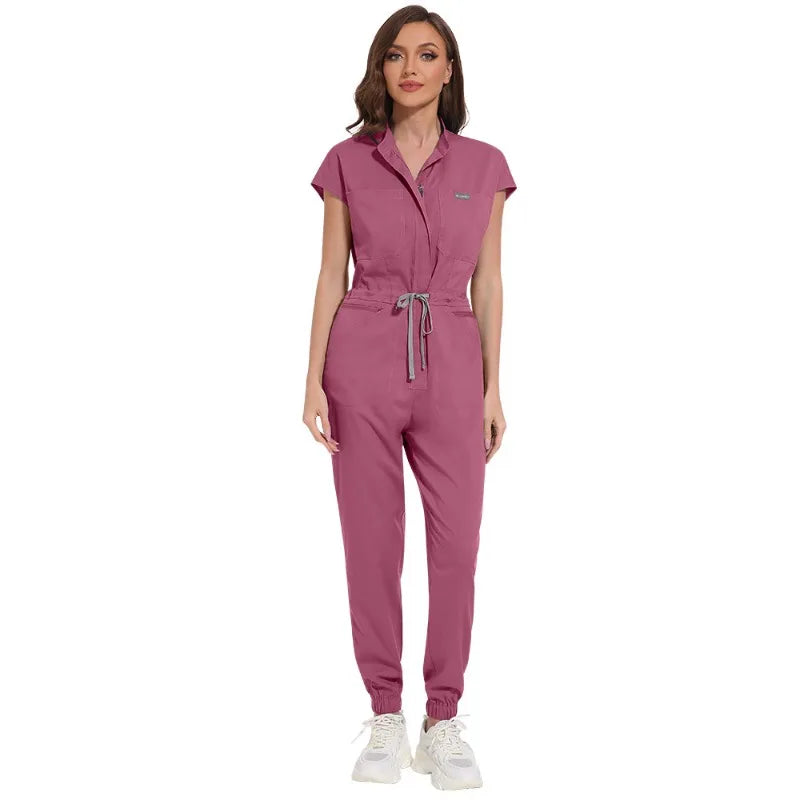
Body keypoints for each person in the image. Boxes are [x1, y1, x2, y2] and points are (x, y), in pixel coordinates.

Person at [303, 7, 516, 790]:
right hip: (361, 353)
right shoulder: (347, 161)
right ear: (381, 69)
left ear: (449, 69)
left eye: (428, 55)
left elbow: (488, 281)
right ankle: (386, 713)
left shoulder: (486, 165)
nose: (412, 68)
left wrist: (493, 385)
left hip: (452, 357)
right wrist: (312, 377)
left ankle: (443, 719)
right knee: (371, 545)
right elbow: (331, 272)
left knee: (456, 548)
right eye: (397, 55)